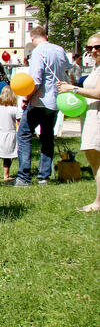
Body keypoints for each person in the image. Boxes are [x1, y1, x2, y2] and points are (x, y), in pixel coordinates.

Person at [14, 26, 71, 187]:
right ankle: (43, 176)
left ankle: (24, 177)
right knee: (47, 137)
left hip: (39, 101)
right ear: (45, 35)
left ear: (33, 39)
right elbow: (67, 69)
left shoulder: (38, 52)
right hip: (56, 101)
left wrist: (26, 98)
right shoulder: (59, 50)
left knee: (24, 134)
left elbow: (36, 79)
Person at [57, 31, 100, 212]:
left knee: (96, 160)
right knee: (94, 160)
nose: (93, 51)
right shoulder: (96, 67)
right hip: (91, 114)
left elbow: (98, 93)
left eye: (97, 47)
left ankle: (98, 203)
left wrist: (72, 89)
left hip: (97, 116)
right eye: (89, 48)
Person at [0, 85, 21, 181]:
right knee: (8, 155)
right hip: (11, 134)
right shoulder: (15, 110)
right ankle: (6, 175)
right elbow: (19, 124)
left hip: (0, 134)